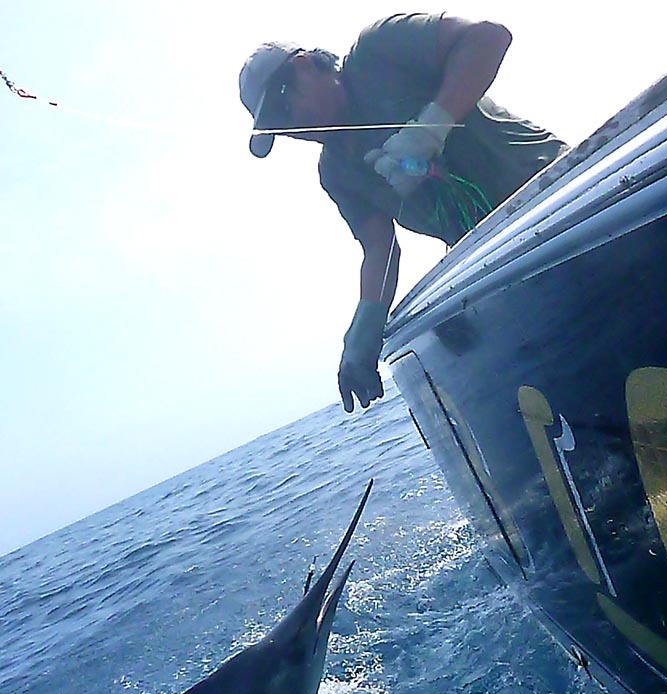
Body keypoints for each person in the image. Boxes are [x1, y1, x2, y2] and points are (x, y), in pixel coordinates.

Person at [239, 13, 567, 413]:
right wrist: (364, 333)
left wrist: (431, 128)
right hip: (502, 264)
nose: (290, 126)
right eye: (276, 125)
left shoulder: (379, 49)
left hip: (564, 198)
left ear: (305, 65)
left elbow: (489, 38)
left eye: (282, 104)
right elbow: (381, 251)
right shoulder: (337, 173)